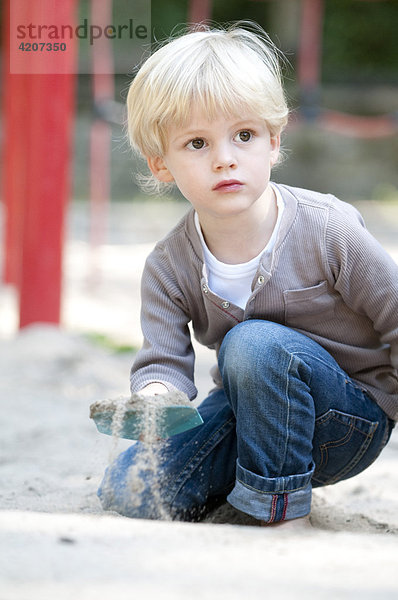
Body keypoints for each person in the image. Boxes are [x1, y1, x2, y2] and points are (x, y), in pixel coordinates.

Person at [98, 22, 397, 526]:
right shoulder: (170, 266)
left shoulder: (326, 230)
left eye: (244, 135)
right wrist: (154, 399)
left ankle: (275, 513)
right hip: (248, 416)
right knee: (132, 488)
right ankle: (248, 483)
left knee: (252, 342)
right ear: (161, 163)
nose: (224, 159)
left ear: (274, 141)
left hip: (346, 418)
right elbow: (163, 363)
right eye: (196, 143)